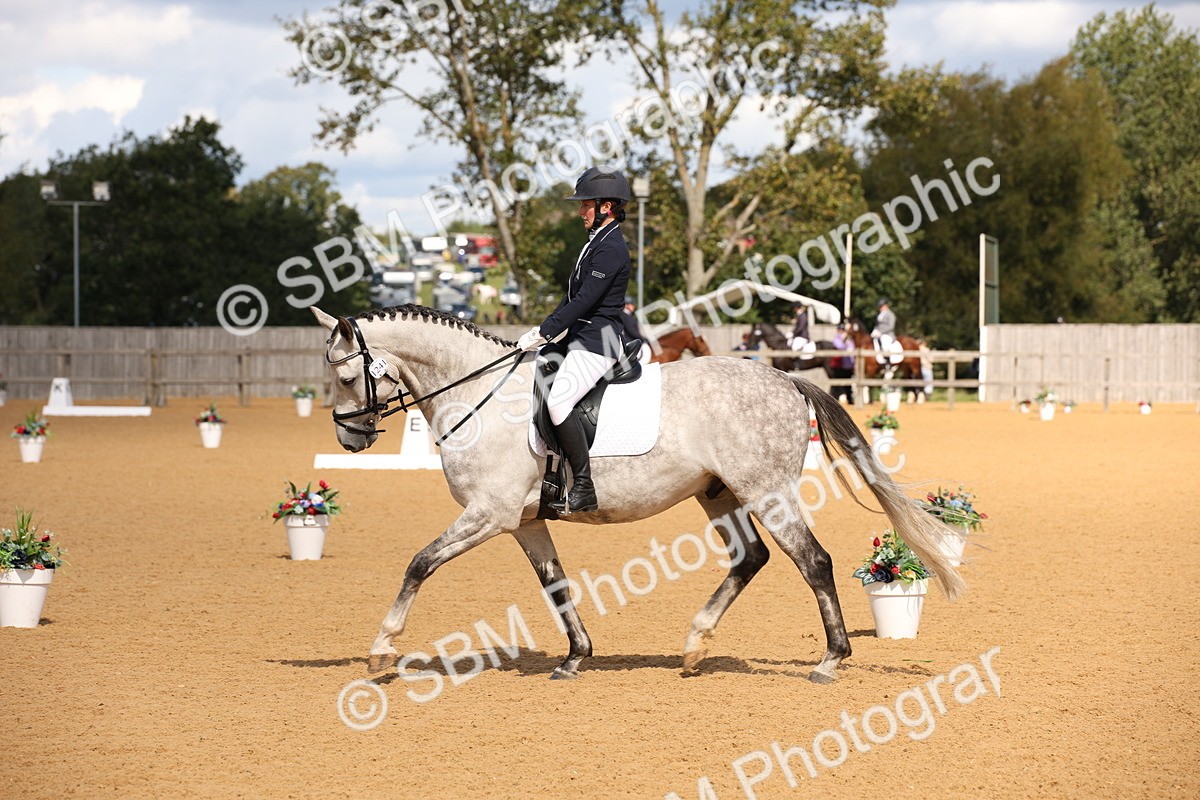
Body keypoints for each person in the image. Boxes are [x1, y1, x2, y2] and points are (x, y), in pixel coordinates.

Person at [516, 167, 633, 514]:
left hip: (600, 340)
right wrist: (544, 330)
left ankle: (584, 484)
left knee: (559, 401)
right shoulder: (595, 242)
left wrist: (546, 331)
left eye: (586, 204)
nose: (580, 211)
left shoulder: (611, 247)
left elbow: (585, 301)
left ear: (606, 207)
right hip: (580, 335)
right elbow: (572, 297)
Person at [620, 295, 651, 364]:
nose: (633, 306)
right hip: (630, 341)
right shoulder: (625, 316)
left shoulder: (627, 315)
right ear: (626, 305)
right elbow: (632, 331)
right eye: (631, 304)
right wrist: (643, 339)